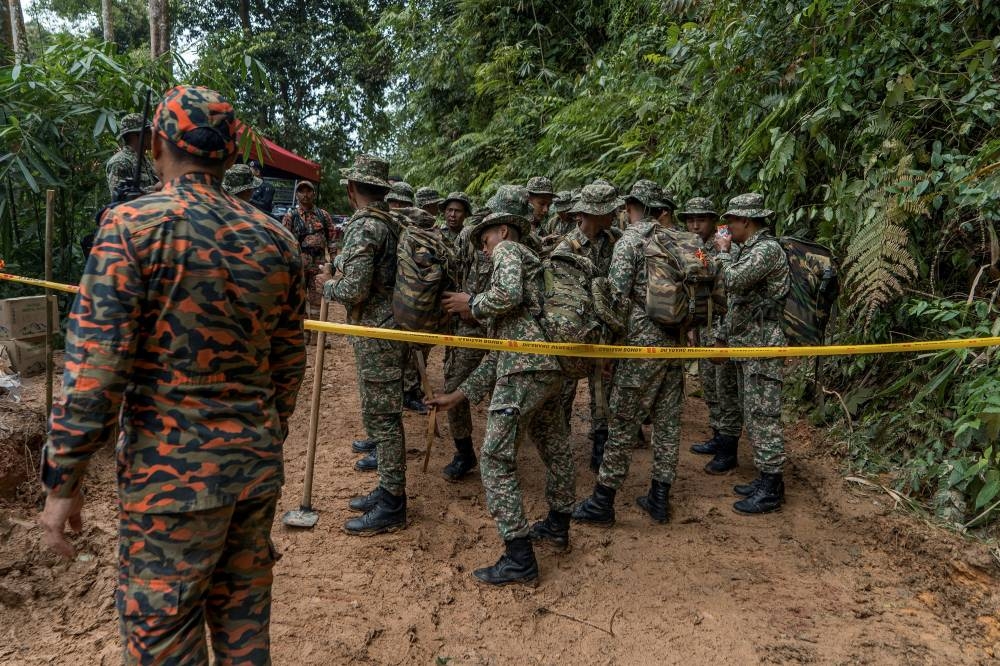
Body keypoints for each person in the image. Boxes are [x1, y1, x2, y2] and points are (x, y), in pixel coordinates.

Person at [38, 85, 307, 664]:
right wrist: (259, 438)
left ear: (158, 144)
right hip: (254, 471)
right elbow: (288, 367)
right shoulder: (278, 240)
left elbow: (94, 369)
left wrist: (64, 479)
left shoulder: (131, 227)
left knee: (162, 638)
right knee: (243, 631)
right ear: (233, 155)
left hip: (171, 479)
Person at [428, 185, 574, 586]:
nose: (485, 247)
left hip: (524, 371)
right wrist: (458, 395)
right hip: (545, 366)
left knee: (493, 458)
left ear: (504, 230)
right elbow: (498, 353)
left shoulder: (510, 252)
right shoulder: (534, 263)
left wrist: (470, 304)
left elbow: (504, 296)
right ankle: (559, 525)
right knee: (555, 444)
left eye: (487, 237)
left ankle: (519, 556)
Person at [573, 180, 684, 525]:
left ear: (630, 207)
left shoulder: (630, 241)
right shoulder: (676, 239)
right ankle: (659, 497)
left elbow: (616, 301)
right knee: (667, 421)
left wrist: (608, 349)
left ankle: (603, 501)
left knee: (622, 420)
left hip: (641, 344)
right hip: (675, 342)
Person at [321, 154, 409, 535]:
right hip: (384, 329)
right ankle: (388, 490)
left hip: (378, 333)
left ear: (352, 189)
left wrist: (326, 285)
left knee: (384, 420)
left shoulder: (366, 227)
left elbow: (354, 289)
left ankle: (393, 502)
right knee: (382, 415)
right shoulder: (389, 223)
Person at [714, 193, 790, 514]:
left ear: (747, 221)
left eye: (731, 221)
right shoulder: (751, 250)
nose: (728, 227)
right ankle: (765, 477)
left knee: (763, 416)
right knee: (753, 412)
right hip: (750, 344)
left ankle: (772, 486)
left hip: (764, 345)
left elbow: (732, 279)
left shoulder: (767, 250)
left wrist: (723, 252)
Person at [556, 182, 623, 470]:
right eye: (610, 211)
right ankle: (558, 448)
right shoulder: (566, 247)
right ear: (595, 213)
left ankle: (599, 443)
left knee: (603, 391)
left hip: (606, 331)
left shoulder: (615, 241)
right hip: (574, 331)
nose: (614, 215)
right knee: (563, 391)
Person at [677, 197, 745, 472]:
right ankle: (718, 436)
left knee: (726, 389)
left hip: (722, 328)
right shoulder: (693, 247)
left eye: (701, 219)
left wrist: (722, 335)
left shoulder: (728, 249)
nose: (695, 224)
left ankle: (729, 450)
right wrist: (692, 328)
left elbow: (732, 295)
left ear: (713, 221)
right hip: (703, 326)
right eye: (690, 219)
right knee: (711, 386)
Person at [282, 180, 339, 335]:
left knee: (317, 301)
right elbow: (284, 241)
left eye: (309, 191)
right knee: (298, 301)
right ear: (297, 194)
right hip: (298, 265)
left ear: (314, 194)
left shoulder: (323, 215)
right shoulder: (290, 216)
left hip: (318, 265)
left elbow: (332, 238)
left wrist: (333, 261)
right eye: (301, 191)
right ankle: (302, 334)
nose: (305, 195)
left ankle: (316, 335)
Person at [105, 112, 159, 197]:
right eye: (148, 132)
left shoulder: (144, 159)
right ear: (134, 136)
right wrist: (157, 189)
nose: (152, 135)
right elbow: (122, 199)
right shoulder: (120, 163)